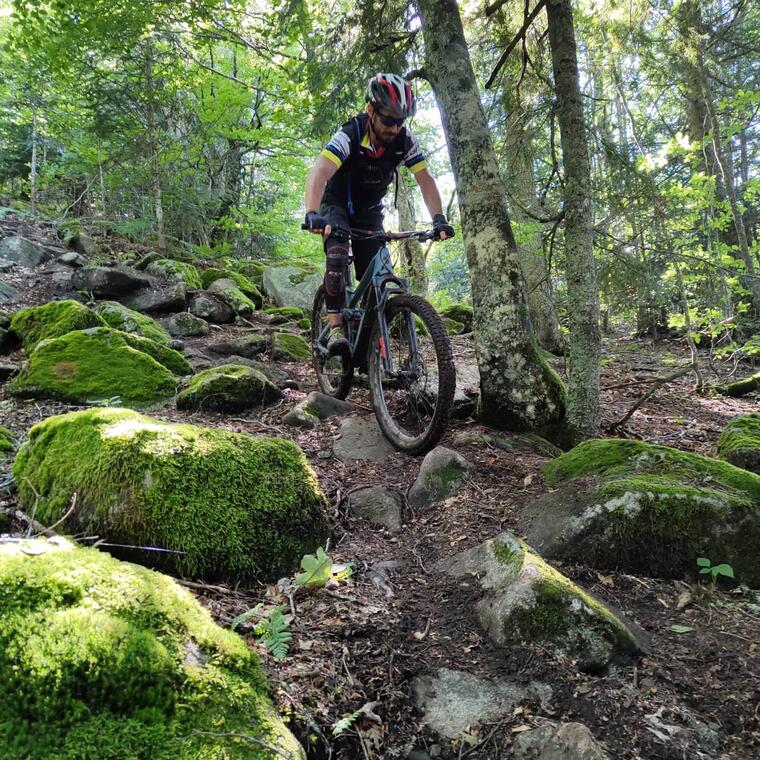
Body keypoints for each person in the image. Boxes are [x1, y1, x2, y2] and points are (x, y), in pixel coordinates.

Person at [304, 72, 455, 352]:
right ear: (371, 110)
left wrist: (439, 219)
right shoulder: (350, 134)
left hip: (370, 212)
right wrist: (313, 212)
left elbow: (425, 179)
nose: (394, 128)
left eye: (400, 122)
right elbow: (319, 172)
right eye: (388, 120)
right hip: (336, 204)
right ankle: (336, 328)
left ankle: (374, 349)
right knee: (337, 252)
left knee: (380, 276)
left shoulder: (404, 140)